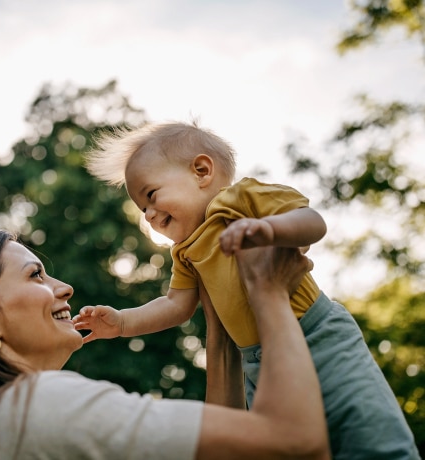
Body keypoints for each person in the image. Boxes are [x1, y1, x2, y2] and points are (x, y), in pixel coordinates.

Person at [75, 121, 421, 460]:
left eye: (151, 195)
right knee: (291, 445)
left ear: (201, 171)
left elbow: (313, 221)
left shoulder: (240, 201)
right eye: (142, 209)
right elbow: (175, 305)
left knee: (365, 428)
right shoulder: (185, 251)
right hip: (257, 363)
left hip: (317, 334)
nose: (149, 215)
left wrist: (270, 230)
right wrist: (122, 322)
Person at [0, 228, 330, 460]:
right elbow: (293, 440)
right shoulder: (39, 407)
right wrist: (267, 293)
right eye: (36, 275)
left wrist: (224, 314)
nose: (64, 288)